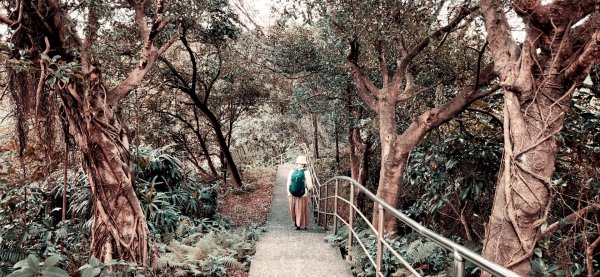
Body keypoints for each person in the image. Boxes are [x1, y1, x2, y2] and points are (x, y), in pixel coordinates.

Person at [286, 155, 314, 230]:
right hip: (303, 194)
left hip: (292, 193)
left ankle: (296, 224)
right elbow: (309, 185)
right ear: (304, 163)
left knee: (294, 208)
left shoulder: (292, 171)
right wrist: (310, 191)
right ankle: (303, 224)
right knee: (302, 209)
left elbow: (289, 182)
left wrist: (288, 193)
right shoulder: (306, 171)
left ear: (297, 162)